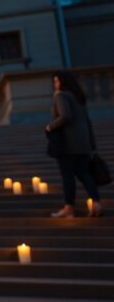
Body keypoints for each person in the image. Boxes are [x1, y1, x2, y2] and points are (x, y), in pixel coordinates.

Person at [46, 71, 103, 218]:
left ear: (63, 82)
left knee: (67, 176)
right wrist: (91, 145)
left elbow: (65, 116)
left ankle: (69, 207)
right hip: (83, 144)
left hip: (67, 144)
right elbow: (87, 122)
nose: (55, 84)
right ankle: (96, 202)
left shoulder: (61, 95)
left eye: (57, 81)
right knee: (85, 174)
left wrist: (50, 127)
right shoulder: (78, 98)